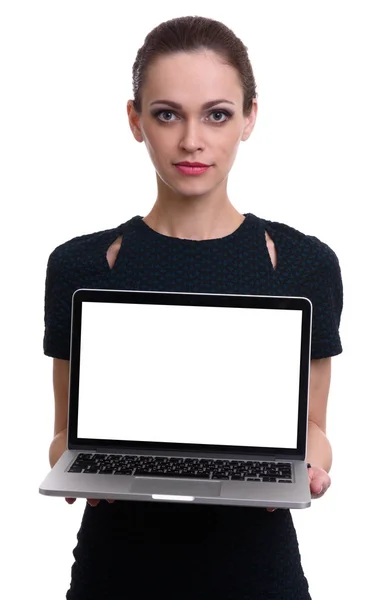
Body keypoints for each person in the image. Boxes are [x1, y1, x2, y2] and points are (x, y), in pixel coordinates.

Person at [44, 15, 343, 600]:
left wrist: (304, 467)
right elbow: (62, 434)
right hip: (117, 572)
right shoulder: (80, 266)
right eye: (166, 114)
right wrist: (80, 465)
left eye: (216, 114)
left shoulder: (304, 265)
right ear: (135, 120)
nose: (191, 141)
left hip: (258, 574)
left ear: (250, 117)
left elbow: (313, 429)